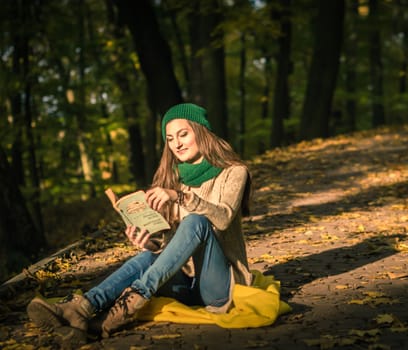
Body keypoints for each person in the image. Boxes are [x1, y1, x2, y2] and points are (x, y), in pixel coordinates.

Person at [27, 103, 253, 341]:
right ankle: (82, 311)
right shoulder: (177, 180)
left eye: (183, 134)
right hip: (186, 286)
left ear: (201, 131)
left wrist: (181, 197)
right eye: (170, 138)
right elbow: (176, 246)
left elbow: (224, 218)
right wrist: (151, 244)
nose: (177, 143)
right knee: (147, 257)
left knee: (197, 221)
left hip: (220, 286)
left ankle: (133, 299)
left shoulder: (234, 172)